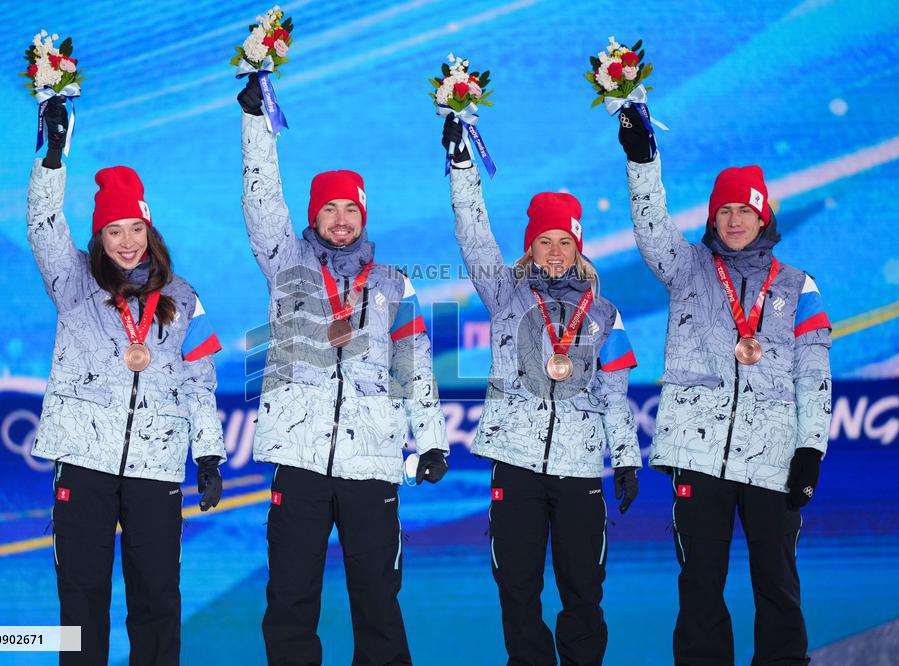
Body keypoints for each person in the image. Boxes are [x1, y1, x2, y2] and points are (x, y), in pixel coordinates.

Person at [237, 76, 449, 665]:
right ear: (313, 214)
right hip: (300, 459)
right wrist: (257, 124)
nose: (339, 218)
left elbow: (415, 364)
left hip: (373, 461)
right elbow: (262, 204)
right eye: (327, 207)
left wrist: (431, 441)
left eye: (348, 207)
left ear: (362, 214)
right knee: (290, 599)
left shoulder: (393, 283)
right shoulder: (286, 262)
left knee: (378, 599)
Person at [617, 104, 833, 665]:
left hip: (773, 461)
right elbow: (650, 225)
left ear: (764, 218)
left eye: (746, 210)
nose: (735, 220)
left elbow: (814, 374)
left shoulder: (798, 286)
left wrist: (809, 452)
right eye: (725, 211)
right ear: (712, 218)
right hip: (698, 457)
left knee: (778, 589)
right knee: (699, 591)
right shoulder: (686, 268)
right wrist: (642, 159)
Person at [27, 96, 226, 665]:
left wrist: (208, 457)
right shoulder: (71, 282)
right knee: (81, 599)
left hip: (156, 466)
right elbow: (42, 224)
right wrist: (53, 157)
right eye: (113, 230)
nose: (127, 241)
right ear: (98, 238)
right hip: (83, 462)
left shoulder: (184, 297)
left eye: (135, 227)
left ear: (149, 228)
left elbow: (199, 382)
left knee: (158, 599)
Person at [442, 115, 642, 665]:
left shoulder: (604, 313)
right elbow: (473, 231)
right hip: (515, 463)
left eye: (564, 242)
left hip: (580, 468)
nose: (555, 252)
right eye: (544, 241)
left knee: (584, 593)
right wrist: (462, 165)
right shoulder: (504, 293)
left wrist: (624, 460)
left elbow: (615, 394)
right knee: (518, 592)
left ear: (579, 249)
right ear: (529, 248)